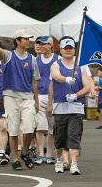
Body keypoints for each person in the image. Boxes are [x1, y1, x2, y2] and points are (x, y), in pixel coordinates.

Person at [0, 29, 40, 171]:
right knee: (12, 129)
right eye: (25, 39)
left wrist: (36, 100)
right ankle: (15, 159)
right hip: (11, 97)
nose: (28, 41)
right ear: (18, 41)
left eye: (29, 39)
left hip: (27, 97)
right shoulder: (8, 56)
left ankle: (24, 153)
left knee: (30, 127)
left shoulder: (32, 59)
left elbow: (34, 81)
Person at [48, 36, 91, 175]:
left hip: (76, 107)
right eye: (65, 48)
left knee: (73, 136)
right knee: (60, 138)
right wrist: (65, 79)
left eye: (70, 48)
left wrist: (76, 95)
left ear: (74, 49)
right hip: (59, 107)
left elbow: (88, 87)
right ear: (60, 49)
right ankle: (59, 160)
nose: (68, 50)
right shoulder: (56, 65)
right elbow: (56, 76)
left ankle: (74, 164)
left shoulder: (80, 66)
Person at [34, 36, 59, 165]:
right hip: (39, 96)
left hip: (54, 97)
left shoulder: (58, 60)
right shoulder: (35, 60)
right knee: (40, 127)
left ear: (50, 45)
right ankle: (40, 154)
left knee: (52, 128)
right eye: (39, 44)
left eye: (44, 44)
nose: (41, 46)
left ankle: (49, 154)